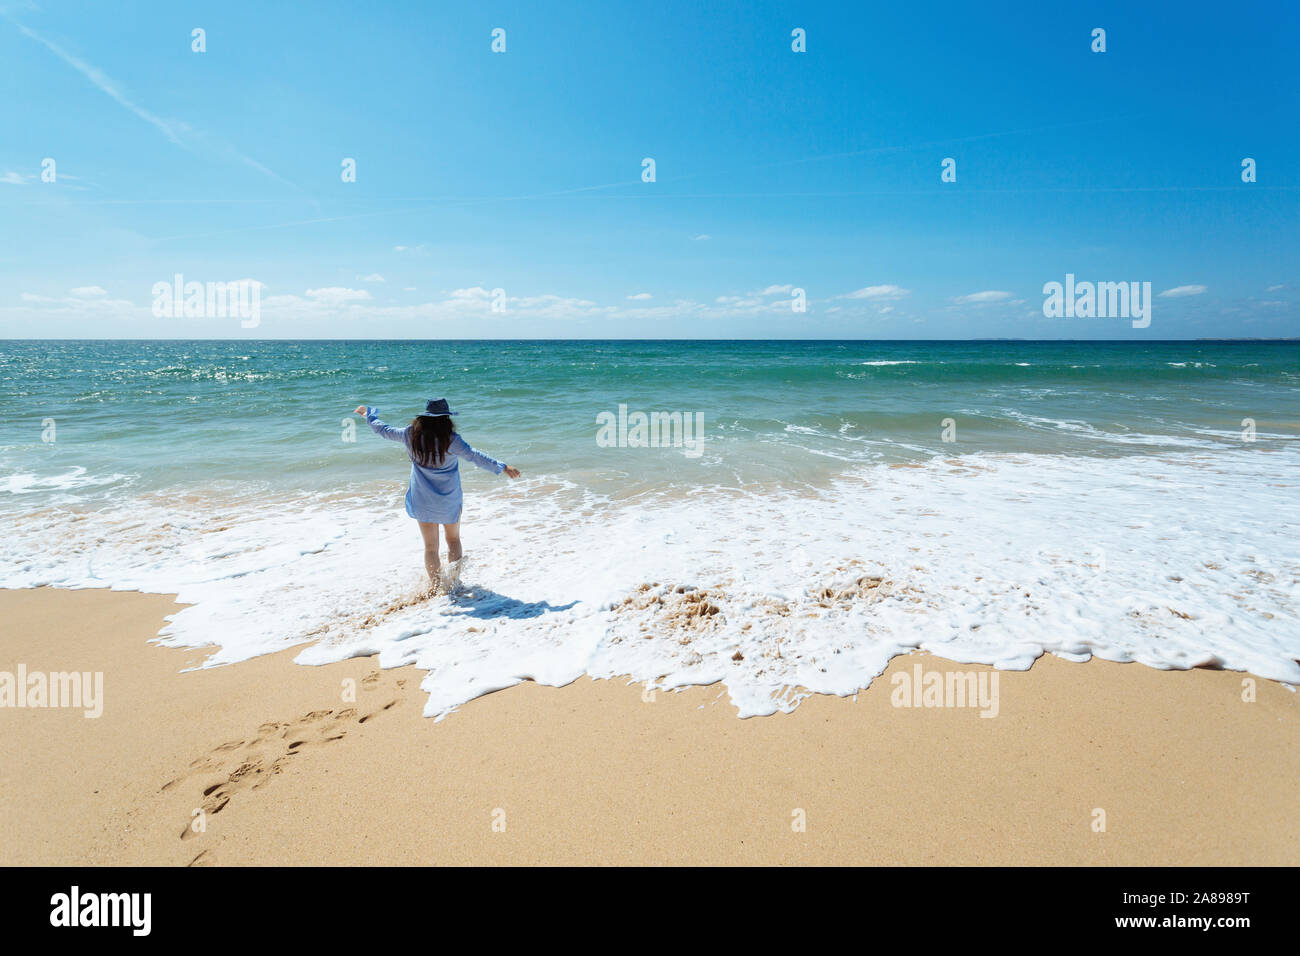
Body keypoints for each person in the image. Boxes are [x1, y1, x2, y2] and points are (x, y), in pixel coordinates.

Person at [353, 398, 520, 590]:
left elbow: (383, 430)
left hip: (422, 498)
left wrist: (369, 414)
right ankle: (454, 585)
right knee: (453, 540)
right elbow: (474, 456)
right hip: (448, 498)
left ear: (424, 417)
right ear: (446, 419)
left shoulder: (410, 434)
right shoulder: (451, 440)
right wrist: (502, 467)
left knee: (431, 547)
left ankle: (435, 587)